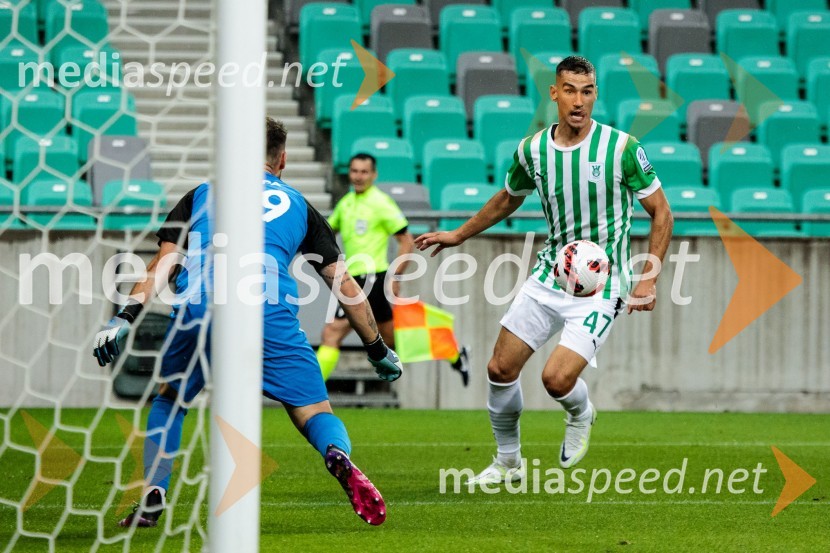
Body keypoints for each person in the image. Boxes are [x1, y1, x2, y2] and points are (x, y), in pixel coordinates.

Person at [92, 118, 403, 527]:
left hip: (201, 304)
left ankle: (154, 493)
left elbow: (163, 264)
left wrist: (124, 316)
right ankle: (336, 453)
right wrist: (377, 349)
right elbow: (344, 286)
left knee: (171, 399)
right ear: (284, 159)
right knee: (312, 410)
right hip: (269, 309)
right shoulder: (299, 205)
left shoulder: (202, 194)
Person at [415, 56, 673, 483]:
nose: (579, 100)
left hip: (601, 286)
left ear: (595, 95)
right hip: (551, 274)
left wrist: (649, 276)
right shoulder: (533, 150)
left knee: (556, 379)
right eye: (570, 90)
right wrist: (459, 235)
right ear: (554, 93)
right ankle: (508, 461)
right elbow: (507, 197)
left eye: (587, 91)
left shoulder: (623, 149)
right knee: (499, 369)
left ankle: (582, 413)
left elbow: (662, 212)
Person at [317, 153, 471, 386]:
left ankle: (310, 393)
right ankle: (453, 353)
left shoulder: (380, 202)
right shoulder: (346, 203)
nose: (358, 176)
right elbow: (328, 233)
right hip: (353, 279)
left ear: (374, 175)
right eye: (354, 171)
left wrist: (395, 276)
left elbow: (406, 241)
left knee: (333, 333)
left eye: (364, 172)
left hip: (372, 279)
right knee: (391, 339)